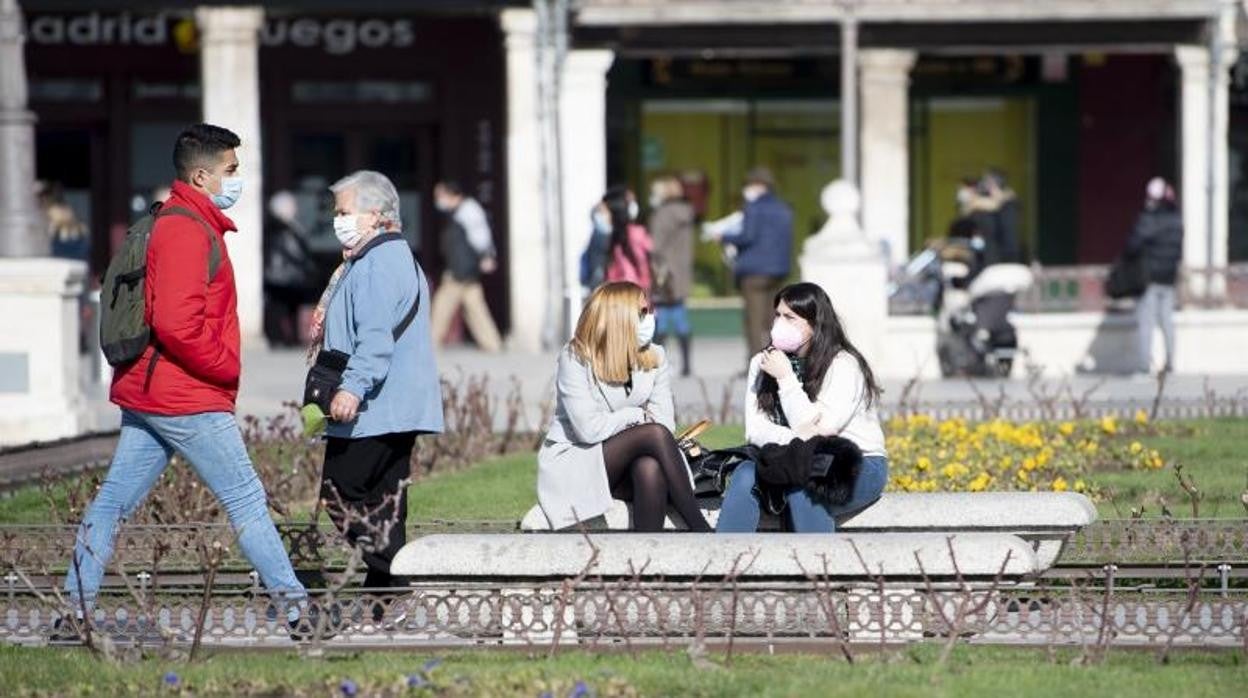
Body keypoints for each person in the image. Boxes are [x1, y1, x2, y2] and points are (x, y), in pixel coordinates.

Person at [62, 123, 307, 631]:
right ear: (201, 176)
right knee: (246, 500)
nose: (238, 179)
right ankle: (300, 611)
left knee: (112, 504)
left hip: (156, 391)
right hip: (185, 395)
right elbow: (176, 322)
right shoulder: (184, 230)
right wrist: (227, 365)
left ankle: (72, 613)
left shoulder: (186, 222)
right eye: (231, 171)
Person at [319, 170, 445, 593]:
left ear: (373, 215)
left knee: (339, 492)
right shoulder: (393, 255)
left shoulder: (376, 262)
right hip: (396, 405)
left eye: (344, 211)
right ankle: (384, 599)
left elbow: (375, 337)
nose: (338, 219)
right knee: (386, 501)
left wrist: (352, 387)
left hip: (376, 405)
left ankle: (397, 575)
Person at [536, 281, 712, 532]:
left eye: (648, 311)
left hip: (628, 464)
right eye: (641, 313)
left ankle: (645, 560)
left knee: (649, 467)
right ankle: (701, 529)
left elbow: (665, 423)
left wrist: (635, 428)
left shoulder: (655, 355)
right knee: (652, 433)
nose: (650, 318)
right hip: (580, 460)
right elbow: (589, 430)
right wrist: (636, 416)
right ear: (619, 319)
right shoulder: (575, 357)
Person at [716, 282, 889, 533]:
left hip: (855, 463)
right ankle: (724, 565)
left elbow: (823, 431)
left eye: (790, 317)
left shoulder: (843, 365)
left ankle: (819, 567)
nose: (780, 323)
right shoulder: (762, 362)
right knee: (744, 475)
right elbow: (755, 431)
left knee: (803, 486)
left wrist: (786, 379)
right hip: (787, 458)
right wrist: (799, 440)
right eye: (777, 315)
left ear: (814, 324)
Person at [709, 167, 794, 359]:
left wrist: (724, 237)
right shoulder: (784, 208)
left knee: (754, 321)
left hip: (755, 271)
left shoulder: (753, 207)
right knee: (774, 318)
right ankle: (779, 357)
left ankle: (757, 362)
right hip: (778, 270)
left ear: (758, 185)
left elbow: (747, 236)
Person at [428, 181, 503, 352]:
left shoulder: (468, 210)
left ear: (451, 194)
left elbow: (481, 236)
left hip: (460, 270)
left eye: (440, 196)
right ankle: (493, 344)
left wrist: (486, 256)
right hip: (463, 269)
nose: (438, 200)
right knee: (476, 308)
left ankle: (431, 344)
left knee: (442, 306)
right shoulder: (458, 212)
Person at [1126, 177, 1183, 375]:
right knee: (1167, 321)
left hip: (1149, 279)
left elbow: (1132, 245)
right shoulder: (1177, 220)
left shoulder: (1149, 219)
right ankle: (1170, 363)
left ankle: (1144, 366)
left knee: (1146, 322)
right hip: (1169, 278)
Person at [648, 175, 697, 377]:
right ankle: (686, 365)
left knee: (662, 316)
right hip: (682, 270)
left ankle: (659, 363)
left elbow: (655, 246)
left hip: (664, 271)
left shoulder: (663, 215)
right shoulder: (686, 212)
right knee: (679, 315)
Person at [263, 190, 317, 347]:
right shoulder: (283, 228)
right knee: (281, 307)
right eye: (291, 205)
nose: (295, 208)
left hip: (284, 275)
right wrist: (306, 265)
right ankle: (281, 338)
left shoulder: (286, 226)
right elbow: (294, 252)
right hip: (283, 275)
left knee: (288, 307)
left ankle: (287, 338)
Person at [601, 187, 652, 292]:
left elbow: (641, 269)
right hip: (621, 298)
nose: (602, 216)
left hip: (630, 299)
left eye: (604, 212)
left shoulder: (634, 235)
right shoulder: (615, 236)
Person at [981, 169, 1023, 265]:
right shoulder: (1003, 198)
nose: (984, 184)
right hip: (993, 250)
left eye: (987, 181)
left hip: (1008, 249)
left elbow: (996, 203)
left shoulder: (1010, 200)